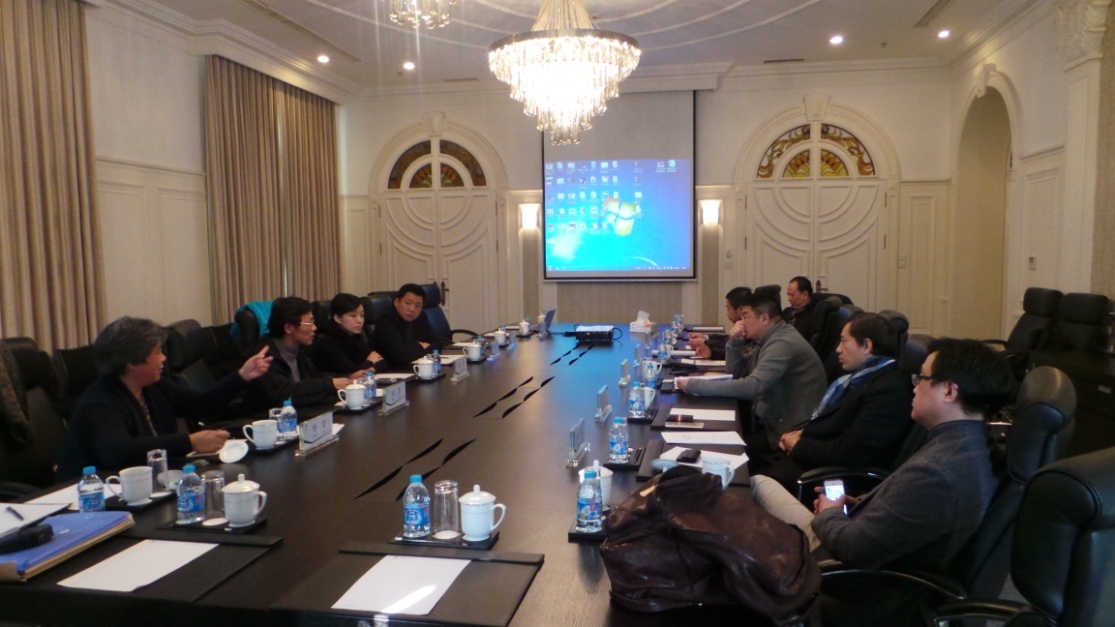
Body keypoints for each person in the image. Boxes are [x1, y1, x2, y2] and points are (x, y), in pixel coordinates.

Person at [750, 338, 1015, 571]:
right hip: (859, 538)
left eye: (922, 378)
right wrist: (857, 505)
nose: (915, 387)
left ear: (949, 391)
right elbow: (911, 514)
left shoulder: (937, 472)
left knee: (757, 484)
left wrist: (830, 513)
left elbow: (853, 549)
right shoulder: (968, 443)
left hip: (844, 571)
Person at [57, 317, 272, 481]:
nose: (164, 358)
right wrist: (190, 442)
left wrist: (242, 376)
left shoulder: (153, 386)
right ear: (132, 363)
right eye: (157, 352)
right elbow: (119, 451)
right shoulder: (99, 402)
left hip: (148, 483)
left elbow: (200, 405)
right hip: (95, 497)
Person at [750, 312, 913, 491]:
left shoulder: (889, 390)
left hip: (832, 479)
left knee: (751, 483)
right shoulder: (862, 378)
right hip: (814, 460)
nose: (838, 349)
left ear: (866, 345)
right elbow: (835, 425)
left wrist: (798, 445)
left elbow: (851, 452)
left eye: (843, 341)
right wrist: (801, 434)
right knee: (747, 456)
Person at [676, 292, 826, 447]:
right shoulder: (768, 338)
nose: (740, 323)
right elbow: (735, 374)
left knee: (712, 445)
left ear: (764, 318)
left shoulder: (782, 343)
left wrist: (694, 385)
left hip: (785, 435)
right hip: (770, 423)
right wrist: (735, 342)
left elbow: (752, 386)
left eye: (745, 317)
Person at [244, 296, 354, 412]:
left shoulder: (297, 349)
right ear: (289, 328)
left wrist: (348, 377)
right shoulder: (264, 355)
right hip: (268, 418)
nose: (314, 328)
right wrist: (329, 385)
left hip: (299, 413)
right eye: (309, 322)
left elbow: (314, 377)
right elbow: (283, 393)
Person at [372, 283, 444, 371]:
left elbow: (437, 344)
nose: (412, 309)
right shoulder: (386, 321)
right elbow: (401, 356)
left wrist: (412, 351)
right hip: (390, 371)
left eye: (417, 305)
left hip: (411, 368)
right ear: (396, 302)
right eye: (408, 303)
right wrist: (420, 346)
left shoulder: (421, 316)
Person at [309, 293, 384, 376]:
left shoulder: (357, 335)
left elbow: (381, 361)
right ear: (337, 318)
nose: (359, 320)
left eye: (362, 315)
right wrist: (370, 362)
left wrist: (370, 367)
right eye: (353, 316)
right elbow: (350, 372)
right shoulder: (328, 342)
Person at [689, 286, 752, 361]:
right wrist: (705, 338)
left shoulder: (749, 329)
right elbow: (726, 339)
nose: (727, 313)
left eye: (728, 309)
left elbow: (733, 351)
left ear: (740, 310)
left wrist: (708, 348)